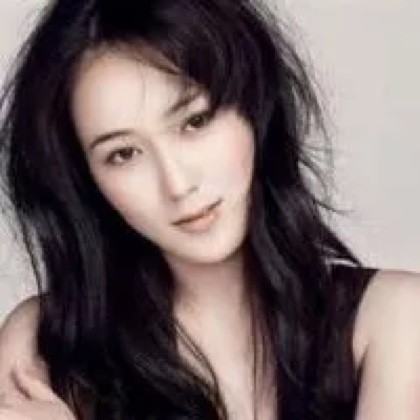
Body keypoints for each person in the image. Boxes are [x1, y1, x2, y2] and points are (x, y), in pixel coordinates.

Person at [0, 0, 419, 419]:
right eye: (124, 154)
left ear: (254, 107)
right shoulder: (46, 342)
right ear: (85, 180)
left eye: (195, 122)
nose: (178, 185)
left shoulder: (394, 318)